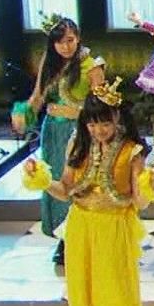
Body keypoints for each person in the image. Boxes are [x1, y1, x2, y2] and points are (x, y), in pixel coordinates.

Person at [22, 80, 154, 306]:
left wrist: (151, 185)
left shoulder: (131, 151)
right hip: (81, 225)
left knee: (117, 293)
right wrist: (41, 179)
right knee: (84, 293)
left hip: (114, 227)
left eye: (105, 123)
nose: (99, 130)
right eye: (92, 124)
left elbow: (139, 201)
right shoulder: (77, 146)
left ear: (117, 118)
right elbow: (65, 190)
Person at [12, 15, 106, 266]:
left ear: (78, 38)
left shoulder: (92, 66)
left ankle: (83, 237)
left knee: (79, 184)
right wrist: (23, 115)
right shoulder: (50, 62)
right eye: (60, 42)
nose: (65, 46)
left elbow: (101, 107)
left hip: (80, 132)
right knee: (55, 181)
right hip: (53, 131)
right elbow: (38, 97)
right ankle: (64, 239)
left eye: (70, 40)